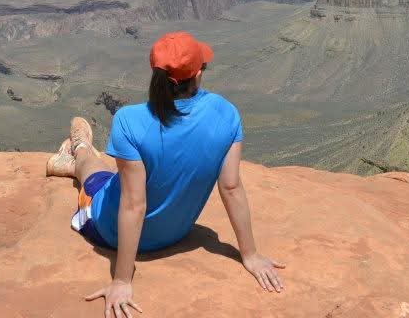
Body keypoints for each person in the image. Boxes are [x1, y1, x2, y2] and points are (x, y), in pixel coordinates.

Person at [46, 31, 284, 317]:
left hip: (108, 230)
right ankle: (80, 154)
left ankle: (80, 150)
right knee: (115, 175)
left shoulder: (128, 120)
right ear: (197, 74)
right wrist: (250, 254)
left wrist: (122, 280)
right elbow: (231, 188)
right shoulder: (226, 113)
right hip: (176, 234)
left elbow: (133, 204)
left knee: (96, 177)